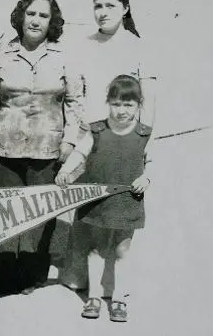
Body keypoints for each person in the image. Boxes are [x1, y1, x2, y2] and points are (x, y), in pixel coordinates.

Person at [0, 0, 86, 295]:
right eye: (31, 13)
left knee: (39, 215)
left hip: (47, 148)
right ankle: (2, 276)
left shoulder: (64, 58)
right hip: (6, 147)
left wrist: (69, 142)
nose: (36, 20)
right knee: (4, 210)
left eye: (43, 15)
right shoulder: (2, 55)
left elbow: (75, 103)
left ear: (51, 22)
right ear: (20, 17)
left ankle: (31, 275)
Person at [59, 0, 157, 293]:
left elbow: (149, 101)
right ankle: (78, 270)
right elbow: (76, 97)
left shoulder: (138, 46)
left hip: (127, 139)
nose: (103, 12)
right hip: (94, 135)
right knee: (87, 207)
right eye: (98, 5)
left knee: (122, 208)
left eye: (110, 5)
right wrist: (74, 139)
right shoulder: (84, 44)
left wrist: (144, 145)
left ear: (125, 8)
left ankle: (116, 275)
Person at [55, 75, 153, 322]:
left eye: (128, 105)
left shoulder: (143, 134)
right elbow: (79, 152)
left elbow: (154, 163)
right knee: (97, 249)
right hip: (98, 202)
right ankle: (94, 297)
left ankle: (119, 298)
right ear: (108, 103)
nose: (122, 110)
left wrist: (148, 179)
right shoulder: (97, 130)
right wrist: (66, 170)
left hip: (128, 201)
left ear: (138, 105)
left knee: (122, 250)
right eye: (117, 104)